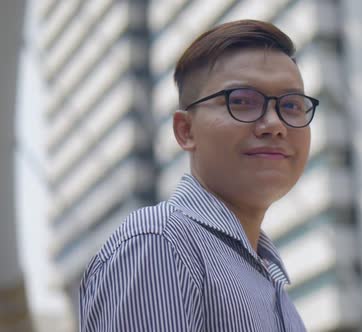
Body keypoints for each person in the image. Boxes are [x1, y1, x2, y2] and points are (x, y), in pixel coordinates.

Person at [79, 19, 319, 332]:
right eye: (242, 102)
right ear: (186, 130)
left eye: (291, 105)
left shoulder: (272, 286)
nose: (274, 124)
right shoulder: (160, 242)